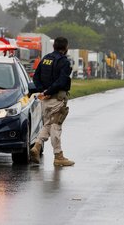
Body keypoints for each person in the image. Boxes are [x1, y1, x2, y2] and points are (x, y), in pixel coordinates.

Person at [30, 36, 74, 166]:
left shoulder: (45, 59)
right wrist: (48, 92)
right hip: (56, 99)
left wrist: (43, 91)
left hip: (45, 100)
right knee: (56, 126)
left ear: (54, 46)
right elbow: (61, 81)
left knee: (47, 125)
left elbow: (36, 76)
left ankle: (36, 146)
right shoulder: (64, 62)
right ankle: (58, 156)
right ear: (66, 48)